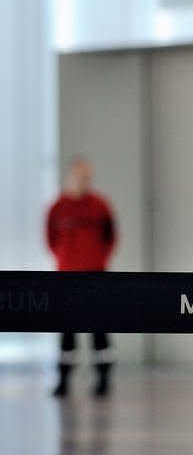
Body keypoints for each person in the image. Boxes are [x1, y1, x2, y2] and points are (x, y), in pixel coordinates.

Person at [46, 157, 117, 398]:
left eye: (87, 176)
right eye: (79, 176)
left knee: (99, 328)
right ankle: (64, 378)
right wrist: (65, 260)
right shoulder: (57, 208)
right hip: (66, 277)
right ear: (70, 176)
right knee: (67, 330)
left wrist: (98, 260)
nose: (84, 181)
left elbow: (111, 237)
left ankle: (104, 378)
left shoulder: (100, 206)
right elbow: (50, 239)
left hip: (96, 276)